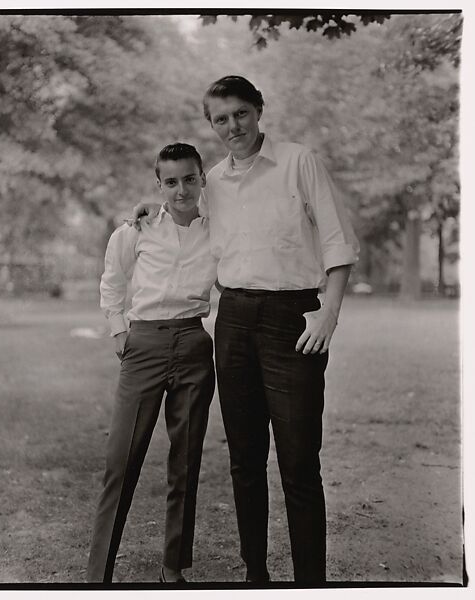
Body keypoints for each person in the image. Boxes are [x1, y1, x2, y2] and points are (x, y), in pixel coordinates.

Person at [132, 75, 360, 585]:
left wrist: (329, 312)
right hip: (233, 322)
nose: (232, 126)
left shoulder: (300, 162)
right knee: (244, 460)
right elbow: (185, 210)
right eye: (220, 118)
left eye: (240, 113)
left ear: (259, 109)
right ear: (210, 125)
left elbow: (337, 243)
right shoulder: (211, 181)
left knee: (299, 462)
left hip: (293, 321)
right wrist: (152, 207)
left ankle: (310, 583)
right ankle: (256, 578)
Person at [86, 143, 217, 584]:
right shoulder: (136, 230)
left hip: (195, 345)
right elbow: (113, 280)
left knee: (186, 462)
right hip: (144, 342)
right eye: (171, 181)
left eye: (190, 179)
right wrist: (120, 331)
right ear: (158, 184)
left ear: (202, 179)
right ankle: (98, 576)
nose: (182, 189)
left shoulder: (217, 230)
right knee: (121, 462)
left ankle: (174, 570)